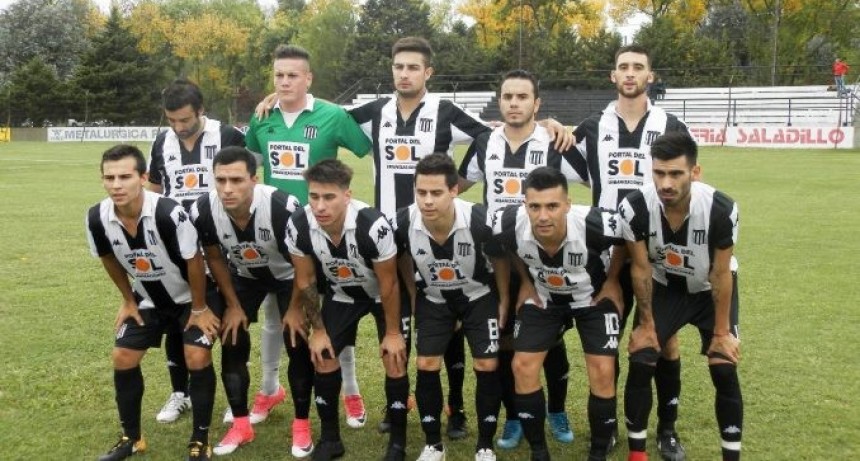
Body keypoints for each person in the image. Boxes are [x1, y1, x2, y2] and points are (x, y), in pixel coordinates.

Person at [245, 44, 373, 429]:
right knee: (275, 316)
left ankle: (350, 389)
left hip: (325, 231)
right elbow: (252, 161)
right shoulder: (262, 117)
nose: (285, 81)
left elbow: (369, 149)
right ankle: (269, 388)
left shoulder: (332, 115)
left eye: (292, 75)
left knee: (334, 312)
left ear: (308, 78)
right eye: (279, 75)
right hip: (276, 233)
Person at [573, 44, 692, 461]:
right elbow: (560, 162)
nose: (629, 73)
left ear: (650, 75)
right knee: (606, 345)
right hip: (605, 256)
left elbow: (684, 185)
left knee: (665, 341)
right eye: (623, 66)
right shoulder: (591, 126)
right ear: (613, 75)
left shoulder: (670, 124)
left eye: (638, 67)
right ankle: (607, 431)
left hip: (656, 254)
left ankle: (667, 430)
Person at [459, 69, 587, 449]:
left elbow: (591, 179)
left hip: (542, 260)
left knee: (552, 340)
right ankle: (514, 417)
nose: (514, 103)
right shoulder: (485, 141)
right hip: (496, 259)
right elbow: (458, 183)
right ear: (499, 101)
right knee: (506, 342)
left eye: (522, 97)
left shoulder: (551, 140)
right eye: (507, 96)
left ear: (537, 103)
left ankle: (557, 409)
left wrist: (566, 132)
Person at [614, 132, 743, 461]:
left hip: (707, 290)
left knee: (724, 366)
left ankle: (731, 455)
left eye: (675, 174)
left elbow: (721, 274)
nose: (665, 183)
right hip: (666, 287)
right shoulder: (634, 207)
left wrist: (721, 333)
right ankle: (645, 449)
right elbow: (641, 270)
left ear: (695, 172)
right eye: (659, 173)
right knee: (643, 357)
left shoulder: (721, 208)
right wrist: (646, 323)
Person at [87, 144, 219, 461]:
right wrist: (128, 299)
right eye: (109, 177)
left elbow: (194, 261)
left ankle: (200, 440)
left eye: (125, 177)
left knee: (197, 356)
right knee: (122, 356)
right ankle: (131, 438)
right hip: (148, 298)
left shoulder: (168, 213)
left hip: (193, 298)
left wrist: (199, 308)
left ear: (143, 177)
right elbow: (107, 257)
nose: (116, 185)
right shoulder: (96, 217)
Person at [189, 147, 316, 458]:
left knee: (297, 339)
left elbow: (305, 264)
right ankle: (242, 423)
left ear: (254, 179)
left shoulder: (282, 206)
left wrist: (297, 307)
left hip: (290, 277)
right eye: (220, 180)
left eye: (236, 180)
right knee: (231, 337)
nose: (227, 189)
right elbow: (215, 257)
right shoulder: (204, 209)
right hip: (244, 277)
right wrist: (232, 305)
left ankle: (301, 425)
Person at [492, 167, 624, 461]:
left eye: (552, 206)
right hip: (544, 298)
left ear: (567, 204)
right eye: (534, 206)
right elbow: (503, 248)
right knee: (522, 366)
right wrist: (525, 283)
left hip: (591, 299)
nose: (542, 216)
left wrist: (613, 279)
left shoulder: (596, 222)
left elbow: (628, 240)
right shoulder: (508, 222)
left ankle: (598, 453)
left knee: (603, 369)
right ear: (524, 204)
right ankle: (539, 452)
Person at [284, 159, 409, 461]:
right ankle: (330, 440)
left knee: (394, 358)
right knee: (323, 356)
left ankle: (398, 442)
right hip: (343, 294)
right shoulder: (299, 223)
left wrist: (393, 332)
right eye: (314, 197)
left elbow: (390, 283)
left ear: (347, 195)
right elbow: (306, 280)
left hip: (383, 296)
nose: (320, 206)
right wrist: (319, 330)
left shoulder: (372, 224)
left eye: (329, 197)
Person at [393, 153, 507, 461]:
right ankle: (433, 445)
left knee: (487, 365)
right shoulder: (403, 221)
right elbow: (400, 256)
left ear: (454, 190)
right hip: (434, 298)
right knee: (426, 365)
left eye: (436, 193)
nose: (427, 201)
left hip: (477, 296)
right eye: (421, 192)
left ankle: (485, 446)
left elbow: (501, 260)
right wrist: (414, 293)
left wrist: (504, 301)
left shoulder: (480, 219)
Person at [146, 78, 246, 425]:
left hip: (222, 243)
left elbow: (247, 182)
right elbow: (155, 191)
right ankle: (180, 392)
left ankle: (237, 399)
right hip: (176, 248)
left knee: (234, 315)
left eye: (185, 120)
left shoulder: (229, 136)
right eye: (172, 120)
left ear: (201, 110)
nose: (179, 127)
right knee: (179, 318)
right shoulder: (161, 142)